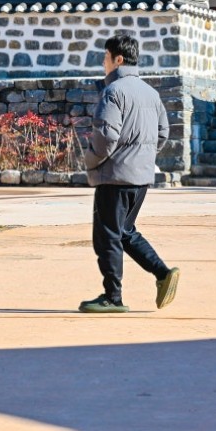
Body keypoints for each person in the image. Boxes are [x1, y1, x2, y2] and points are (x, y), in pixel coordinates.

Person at [79, 34, 180, 313]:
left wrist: (90, 159)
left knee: (107, 235)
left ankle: (113, 297)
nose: (103, 63)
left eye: (105, 57)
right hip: (140, 177)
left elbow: (106, 137)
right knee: (125, 231)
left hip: (115, 176)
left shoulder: (113, 92)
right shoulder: (151, 93)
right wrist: (144, 156)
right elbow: (162, 134)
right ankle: (162, 273)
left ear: (118, 59)